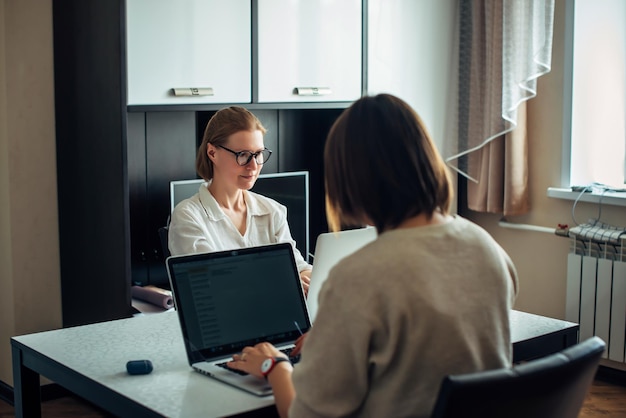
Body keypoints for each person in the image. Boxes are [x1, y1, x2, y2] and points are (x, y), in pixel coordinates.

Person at [227, 94, 519, 417]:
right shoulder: (487, 247)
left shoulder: (360, 277)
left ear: (350, 180)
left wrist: (275, 365)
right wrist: (331, 340)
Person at [168, 106, 312, 293]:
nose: (253, 166)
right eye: (243, 155)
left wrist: (307, 276)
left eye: (258, 154)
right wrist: (284, 282)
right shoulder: (188, 216)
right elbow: (216, 282)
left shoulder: (272, 211)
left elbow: (298, 266)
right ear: (212, 153)